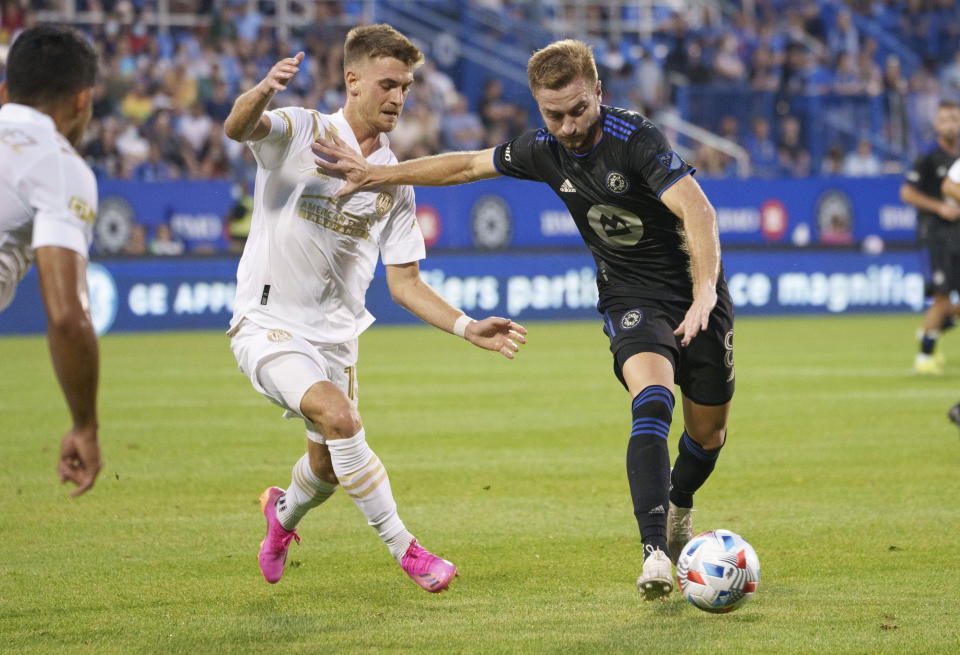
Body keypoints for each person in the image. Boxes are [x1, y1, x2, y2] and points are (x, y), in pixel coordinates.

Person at [315, 39, 734, 601]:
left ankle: (680, 505)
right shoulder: (543, 149)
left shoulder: (636, 140)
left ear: (598, 94)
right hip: (629, 294)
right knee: (653, 398)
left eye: (578, 110)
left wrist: (705, 290)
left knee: (708, 435)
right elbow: (465, 165)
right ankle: (656, 552)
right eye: (552, 114)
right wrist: (375, 173)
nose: (566, 125)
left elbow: (699, 211)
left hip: (693, 291)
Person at [223, 24, 526, 592]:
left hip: (337, 339)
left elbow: (406, 283)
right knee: (342, 419)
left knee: (328, 468)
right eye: (388, 84)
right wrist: (263, 89)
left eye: (406, 87)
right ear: (353, 80)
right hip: (265, 324)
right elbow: (239, 127)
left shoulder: (394, 182)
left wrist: (466, 327)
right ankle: (408, 551)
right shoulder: (300, 129)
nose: (398, 98)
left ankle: (280, 516)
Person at [0, 25, 102, 497]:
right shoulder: (58, 166)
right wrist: (85, 424)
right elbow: (67, 318)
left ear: (5, 91)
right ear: (82, 100)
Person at [900, 100, 960, 375]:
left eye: (955, 119)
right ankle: (924, 358)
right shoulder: (928, 156)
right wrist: (939, 207)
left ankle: (931, 330)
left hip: (957, 233)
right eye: (946, 119)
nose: (951, 124)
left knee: (947, 303)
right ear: (937, 125)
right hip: (935, 233)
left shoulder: (957, 157)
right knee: (941, 296)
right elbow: (907, 193)